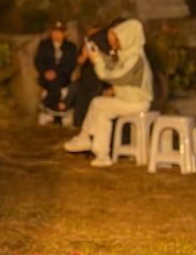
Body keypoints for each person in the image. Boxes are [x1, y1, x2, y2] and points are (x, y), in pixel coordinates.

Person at [63, 18, 153, 167]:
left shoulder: (135, 58)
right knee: (102, 113)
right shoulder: (130, 55)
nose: (115, 42)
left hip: (137, 102)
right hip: (130, 99)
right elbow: (113, 65)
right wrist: (99, 55)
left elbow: (114, 76)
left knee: (98, 103)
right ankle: (102, 154)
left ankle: (85, 137)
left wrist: (97, 61)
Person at [34, 21, 78, 117]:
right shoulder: (44, 45)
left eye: (59, 32)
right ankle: (55, 107)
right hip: (45, 77)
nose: (57, 34)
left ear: (65, 33)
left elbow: (71, 64)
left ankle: (47, 103)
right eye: (55, 32)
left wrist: (56, 72)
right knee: (52, 81)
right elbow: (38, 61)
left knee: (57, 80)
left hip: (63, 77)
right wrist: (45, 72)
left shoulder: (70, 47)